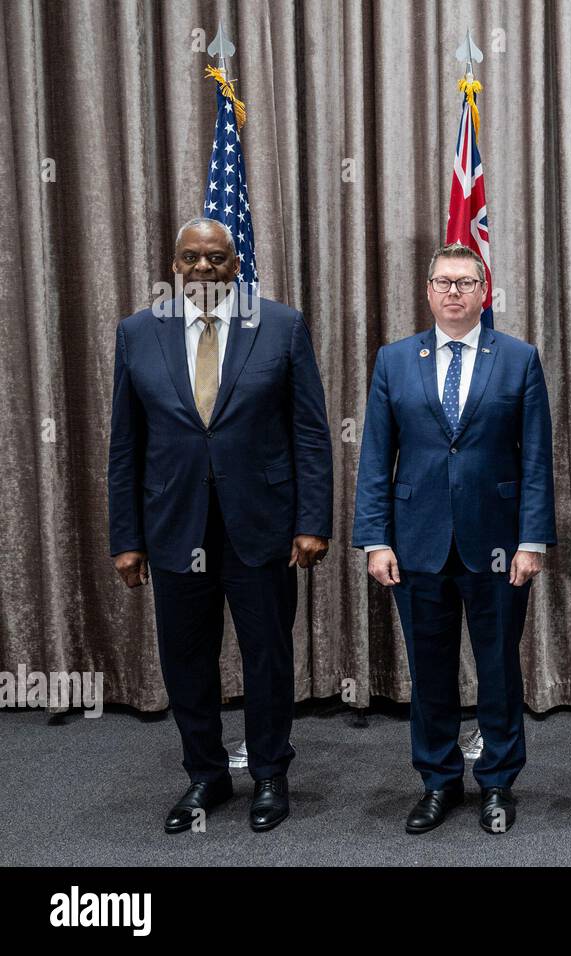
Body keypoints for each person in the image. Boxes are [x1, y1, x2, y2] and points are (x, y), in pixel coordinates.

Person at [108, 217, 332, 833]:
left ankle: (268, 773)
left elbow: (311, 433)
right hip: (174, 526)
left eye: (216, 258)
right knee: (186, 659)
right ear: (175, 266)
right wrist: (125, 539)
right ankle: (206, 774)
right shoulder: (138, 332)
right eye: (191, 259)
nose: (203, 268)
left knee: (267, 655)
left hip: (261, 524)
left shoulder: (280, 324)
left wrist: (313, 521)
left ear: (237, 264)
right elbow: (124, 445)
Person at [353, 242, 556, 835]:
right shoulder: (394, 359)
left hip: (497, 546)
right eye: (443, 282)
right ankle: (438, 781)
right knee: (429, 672)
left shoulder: (518, 359)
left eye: (465, 283)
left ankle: (497, 782)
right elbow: (375, 458)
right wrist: (374, 539)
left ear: (482, 292)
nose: (453, 292)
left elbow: (537, 458)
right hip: (414, 545)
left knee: (498, 669)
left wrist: (532, 540)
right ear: (427, 290)